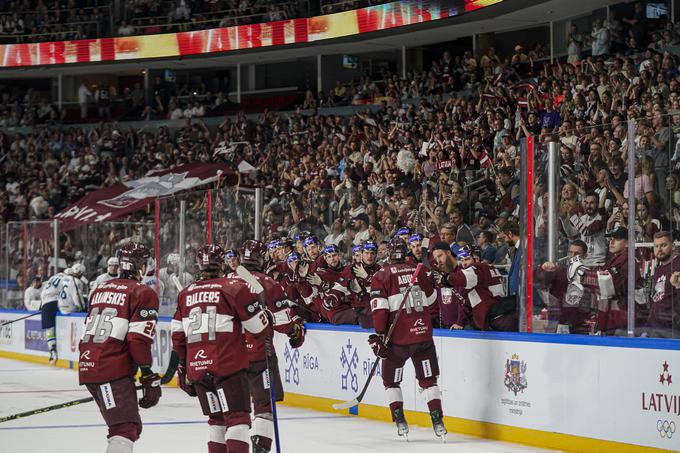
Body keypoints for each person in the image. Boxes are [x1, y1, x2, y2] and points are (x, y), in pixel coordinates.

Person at [172, 244, 271, 453]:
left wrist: (183, 368)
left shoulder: (185, 294)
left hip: (197, 368)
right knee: (238, 419)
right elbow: (257, 327)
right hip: (228, 367)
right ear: (223, 262)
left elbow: (178, 336)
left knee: (216, 421)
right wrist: (265, 315)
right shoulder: (233, 288)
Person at [78, 242, 161, 453]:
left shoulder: (99, 289)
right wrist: (148, 375)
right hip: (111, 369)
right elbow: (137, 340)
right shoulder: (142, 292)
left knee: (123, 426)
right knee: (125, 428)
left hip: (90, 364)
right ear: (139, 266)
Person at [368, 237, 445, 439]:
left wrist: (378, 335)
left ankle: (400, 421)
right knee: (429, 381)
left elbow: (380, 310)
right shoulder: (420, 270)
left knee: (391, 383)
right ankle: (438, 422)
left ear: (388, 254)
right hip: (423, 338)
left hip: (398, 342)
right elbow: (431, 301)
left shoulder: (381, 275)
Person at [234, 240, 305, 453]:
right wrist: (296, 332)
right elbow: (284, 323)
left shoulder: (226, 280)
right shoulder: (268, 283)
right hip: (258, 356)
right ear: (263, 258)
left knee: (235, 411)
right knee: (263, 407)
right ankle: (261, 448)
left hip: (230, 356)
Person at [441, 246, 506, 330]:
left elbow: (458, 280)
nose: (464, 263)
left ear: (476, 258)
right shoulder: (490, 267)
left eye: (467, 259)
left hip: (488, 317)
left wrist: (445, 278)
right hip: (499, 314)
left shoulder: (477, 269)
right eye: (461, 260)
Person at [535, 240, 592, 334]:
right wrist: (543, 269)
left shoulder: (588, 275)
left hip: (580, 324)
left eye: (577, 253)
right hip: (558, 322)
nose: (573, 256)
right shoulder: (558, 271)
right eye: (570, 252)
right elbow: (541, 280)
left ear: (585, 256)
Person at [647, 232, 680, 338]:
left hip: (672, 331)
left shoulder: (678, 266)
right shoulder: (659, 269)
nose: (659, 249)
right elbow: (656, 300)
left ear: (673, 246)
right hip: (656, 329)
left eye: (663, 245)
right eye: (656, 246)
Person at [40, 268, 66, 364]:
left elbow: (42, 293)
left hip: (46, 303)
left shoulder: (51, 279)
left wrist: (42, 307)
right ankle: (63, 348)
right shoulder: (67, 278)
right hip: (58, 302)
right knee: (61, 326)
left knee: (49, 329)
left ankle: (52, 350)